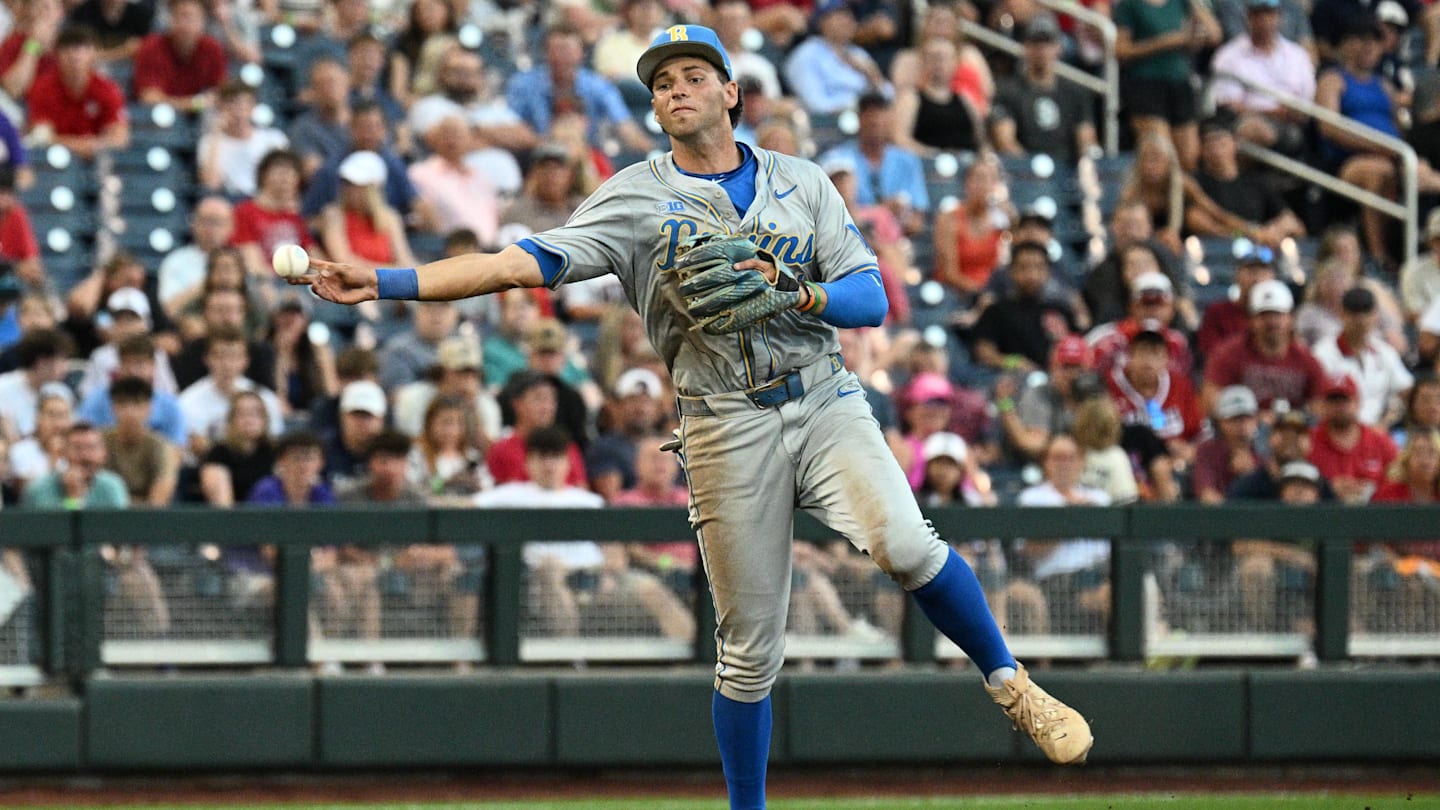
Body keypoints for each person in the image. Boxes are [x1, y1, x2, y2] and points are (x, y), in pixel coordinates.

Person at [296, 26, 1093, 807]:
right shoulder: (638, 196)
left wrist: (796, 288)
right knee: (748, 656)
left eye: (691, 76)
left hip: (819, 394)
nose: (676, 90)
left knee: (908, 541)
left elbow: (872, 298)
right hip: (720, 422)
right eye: (661, 84)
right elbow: (521, 263)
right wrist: (387, 282)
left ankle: (1010, 683)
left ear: (732, 92)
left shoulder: (802, 181)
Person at [1114, 0, 1222, 172]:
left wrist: (1195, 5)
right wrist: (1164, 42)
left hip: (1180, 84)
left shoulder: (1181, 3)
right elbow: (1120, 50)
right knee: (1161, 155)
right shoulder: (1130, 5)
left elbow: (1214, 35)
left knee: (1190, 158)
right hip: (1145, 84)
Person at [1203, 279, 1327, 416]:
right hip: (1243, 431)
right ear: (1251, 320)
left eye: (1278, 315)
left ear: (1291, 319)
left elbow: (1320, 408)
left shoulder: (1306, 359)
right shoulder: (1228, 354)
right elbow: (1211, 401)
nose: (1271, 322)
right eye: (1264, 315)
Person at [1209, 0, 1316, 155]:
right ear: (1248, 17)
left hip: (1290, 125)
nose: (1264, 21)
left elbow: (1306, 104)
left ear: (1279, 16)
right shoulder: (1228, 56)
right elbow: (1229, 105)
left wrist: (1286, 114)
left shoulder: (1298, 55)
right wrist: (1274, 112)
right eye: (1258, 14)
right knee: (1251, 130)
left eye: (1269, 13)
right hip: (1243, 121)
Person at [989, 15, 1098, 164]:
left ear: (1058, 47)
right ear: (1026, 47)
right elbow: (1005, 142)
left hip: (1067, 170)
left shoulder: (1075, 92)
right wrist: (1034, 169)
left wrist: (1085, 165)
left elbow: (1086, 139)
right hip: (1024, 172)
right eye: (1035, 44)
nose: (1042, 51)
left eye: (1047, 44)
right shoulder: (1007, 91)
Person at [970, 241, 1079, 372]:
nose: (1032, 275)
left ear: (1048, 272)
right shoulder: (996, 311)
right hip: (1015, 380)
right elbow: (983, 352)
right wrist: (1013, 362)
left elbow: (1079, 349)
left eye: (1039, 267)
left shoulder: (1062, 310)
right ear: (1011, 271)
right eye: (1024, 267)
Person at [1311, 287, 1413, 427]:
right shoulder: (1323, 353)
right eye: (1354, 314)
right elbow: (1316, 402)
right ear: (1342, 314)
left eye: (1366, 313)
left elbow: (1406, 390)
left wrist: (1387, 421)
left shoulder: (1384, 352)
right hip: (1339, 429)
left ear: (1375, 315)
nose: (1361, 320)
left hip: (1380, 430)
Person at [24, 25, 129, 160]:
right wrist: (82, 145)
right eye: (67, 49)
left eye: (83, 48)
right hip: (55, 159)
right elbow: (41, 136)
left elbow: (120, 138)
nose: (75, 56)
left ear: (94, 53)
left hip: (97, 159)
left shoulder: (108, 89)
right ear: (56, 55)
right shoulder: (42, 88)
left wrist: (94, 146)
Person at [1307, 373, 1398, 504]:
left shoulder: (1381, 441)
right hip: (1323, 515)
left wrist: (1370, 490)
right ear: (1323, 405)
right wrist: (1328, 488)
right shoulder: (1309, 440)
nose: (1339, 406)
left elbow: (1397, 482)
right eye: (1333, 400)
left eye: (1345, 400)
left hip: (1373, 515)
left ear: (1357, 402)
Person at [133, 0, 227, 110]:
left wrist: (199, 103)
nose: (185, 24)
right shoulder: (152, 47)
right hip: (159, 118)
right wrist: (193, 104)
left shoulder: (213, 48)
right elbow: (148, 97)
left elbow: (221, 92)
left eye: (191, 18)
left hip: (200, 117)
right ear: (170, 20)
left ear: (203, 22)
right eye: (180, 16)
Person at [198, 390, 275, 506]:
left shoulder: (275, 451)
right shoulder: (219, 453)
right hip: (234, 519)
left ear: (265, 419)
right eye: (242, 413)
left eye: (256, 413)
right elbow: (221, 505)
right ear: (231, 420)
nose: (249, 419)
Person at [1191, 384, 1262, 503]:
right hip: (1219, 518)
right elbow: (1207, 495)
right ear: (1220, 422)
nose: (1242, 425)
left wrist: (1251, 476)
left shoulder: (1266, 449)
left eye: (1247, 418)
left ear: (1256, 419)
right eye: (1234, 419)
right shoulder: (1208, 450)